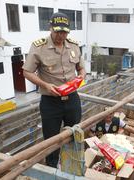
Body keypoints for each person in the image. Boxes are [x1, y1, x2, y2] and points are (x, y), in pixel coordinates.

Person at [22, 12, 86, 168]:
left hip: (72, 99)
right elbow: (27, 72)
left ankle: (72, 166)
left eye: (64, 32)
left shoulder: (74, 45)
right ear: (50, 28)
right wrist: (45, 85)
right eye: (57, 31)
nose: (61, 35)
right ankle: (51, 168)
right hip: (51, 102)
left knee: (73, 133)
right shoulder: (39, 47)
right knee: (51, 139)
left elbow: (82, 68)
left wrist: (80, 78)